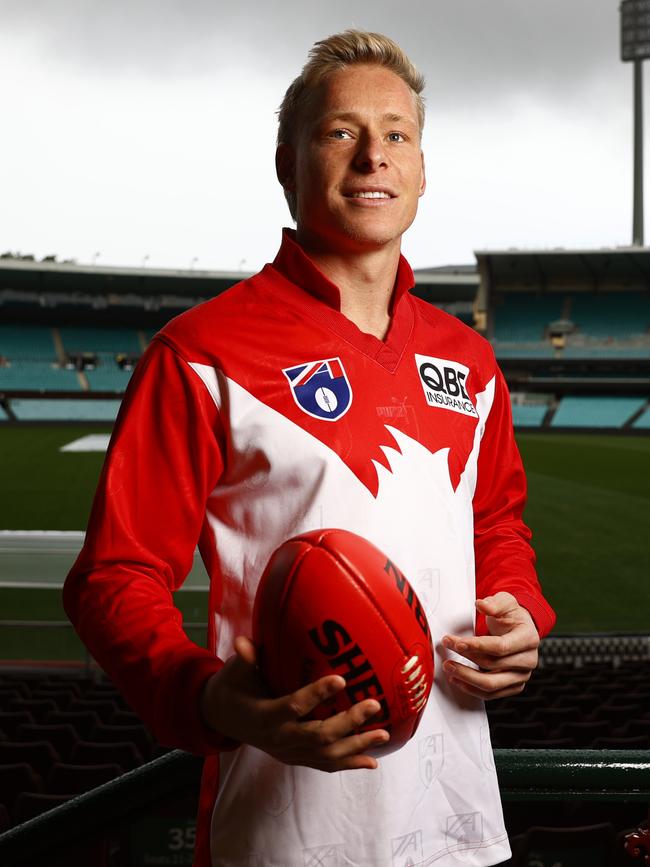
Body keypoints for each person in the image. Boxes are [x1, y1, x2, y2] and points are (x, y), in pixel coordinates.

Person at [64, 30, 556, 867]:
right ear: (288, 164)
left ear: (422, 171)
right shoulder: (202, 351)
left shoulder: (467, 360)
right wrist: (210, 696)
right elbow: (115, 577)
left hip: (459, 828)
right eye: (341, 131)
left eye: (398, 134)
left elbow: (497, 526)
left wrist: (519, 609)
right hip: (285, 837)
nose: (374, 154)